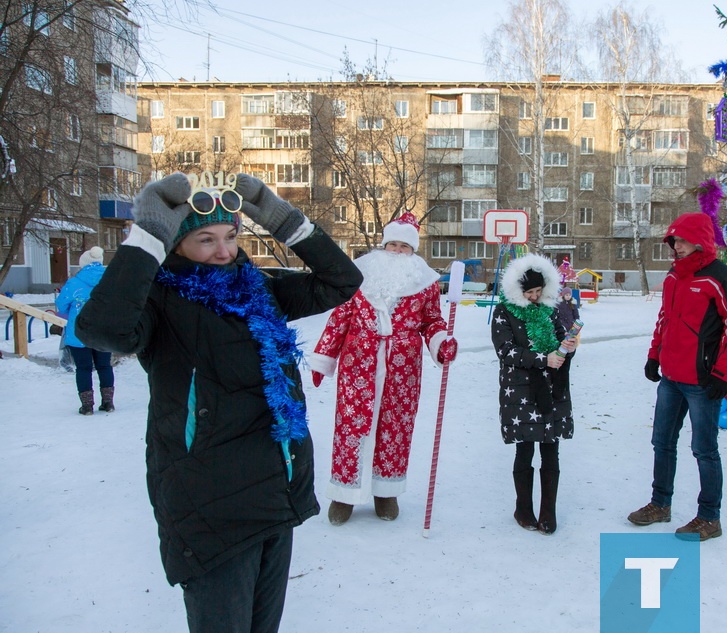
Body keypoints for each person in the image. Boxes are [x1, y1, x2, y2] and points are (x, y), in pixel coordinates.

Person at [75, 172, 362, 632]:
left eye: (230, 236)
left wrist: (279, 217)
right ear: (175, 244)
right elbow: (102, 330)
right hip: (210, 507)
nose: (224, 251)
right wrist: (146, 238)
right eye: (205, 239)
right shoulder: (159, 300)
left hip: (275, 492)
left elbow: (341, 281)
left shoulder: (257, 290)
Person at [310, 212, 458, 526]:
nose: (397, 251)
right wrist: (324, 358)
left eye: (405, 246)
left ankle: (385, 491)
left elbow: (431, 321)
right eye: (392, 244)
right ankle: (344, 494)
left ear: (413, 251)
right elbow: (340, 319)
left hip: (402, 368)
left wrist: (441, 342)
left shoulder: (424, 282)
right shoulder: (359, 275)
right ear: (383, 244)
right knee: (352, 426)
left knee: (395, 428)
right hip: (358, 364)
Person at [627, 212, 727, 541]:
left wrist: (721, 373)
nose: (675, 246)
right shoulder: (673, 276)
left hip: (702, 382)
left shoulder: (718, 276)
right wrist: (654, 356)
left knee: (704, 450)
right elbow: (664, 319)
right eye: (673, 241)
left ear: (699, 241)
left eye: (680, 240)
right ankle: (660, 504)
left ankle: (710, 517)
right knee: (662, 443)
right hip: (671, 378)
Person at [491, 253, 577, 535]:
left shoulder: (550, 310)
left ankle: (548, 512)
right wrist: (543, 358)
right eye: (529, 292)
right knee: (525, 448)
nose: (534, 297)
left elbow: (560, 343)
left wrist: (569, 347)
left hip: (553, 389)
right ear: (518, 291)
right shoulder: (504, 312)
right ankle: (523, 508)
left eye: (539, 291)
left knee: (551, 450)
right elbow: (506, 351)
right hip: (521, 391)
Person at [55, 246, 114, 414]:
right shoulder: (110, 280)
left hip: (79, 332)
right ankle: (108, 403)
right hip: (104, 331)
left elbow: (61, 306)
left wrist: (72, 314)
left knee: (83, 368)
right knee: (104, 366)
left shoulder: (74, 283)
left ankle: (87, 406)